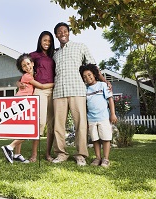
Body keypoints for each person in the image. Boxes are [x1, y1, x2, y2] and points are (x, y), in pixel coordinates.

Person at [52, 22, 111, 166]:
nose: (62, 33)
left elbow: (93, 66)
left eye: (65, 31)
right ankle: (61, 154)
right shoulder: (54, 54)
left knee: (81, 124)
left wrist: (104, 81)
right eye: (59, 32)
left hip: (77, 90)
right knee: (58, 125)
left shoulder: (80, 46)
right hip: (59, 91)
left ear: (68, 32)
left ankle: (80, 155)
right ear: (56, 35)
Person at [1, 53, 54, 163]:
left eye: (28, 64)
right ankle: (10, 147)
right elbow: (42, 86)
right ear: (22, 68)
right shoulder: (27, 76)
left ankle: (17, 154)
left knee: (20, 130)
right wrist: (55, 83)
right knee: (30, 130)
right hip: (22, 103)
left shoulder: (31, 75)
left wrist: (18, 83)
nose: (27, 67)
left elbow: (20, 82)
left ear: (33, 63)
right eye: (24, 66)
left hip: (24, 103)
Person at [20, 31, 56, 162]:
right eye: (45, 40)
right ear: (40, 41)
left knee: (52, 124)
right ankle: (34, 154)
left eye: (49, 41)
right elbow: (25, 70)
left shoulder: (54, 55)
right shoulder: (33, 55)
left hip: (54, 91)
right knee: (40, 122)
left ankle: (47, 154)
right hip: (40, 90)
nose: (47, 43)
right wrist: (19, 82)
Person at [79, 64, 117, 167]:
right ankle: (97, 158)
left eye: (89, 74)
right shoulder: (85, 90)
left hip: (104, 118)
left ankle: (105, 159)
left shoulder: (102, 85)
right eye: (85, 76)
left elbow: (110, 99)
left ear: (94, 74)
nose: (88, 77)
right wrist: (86, 120)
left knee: (105, 138)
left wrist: (112, 114)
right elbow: (86, 106)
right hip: (91, 119)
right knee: (95, 139)